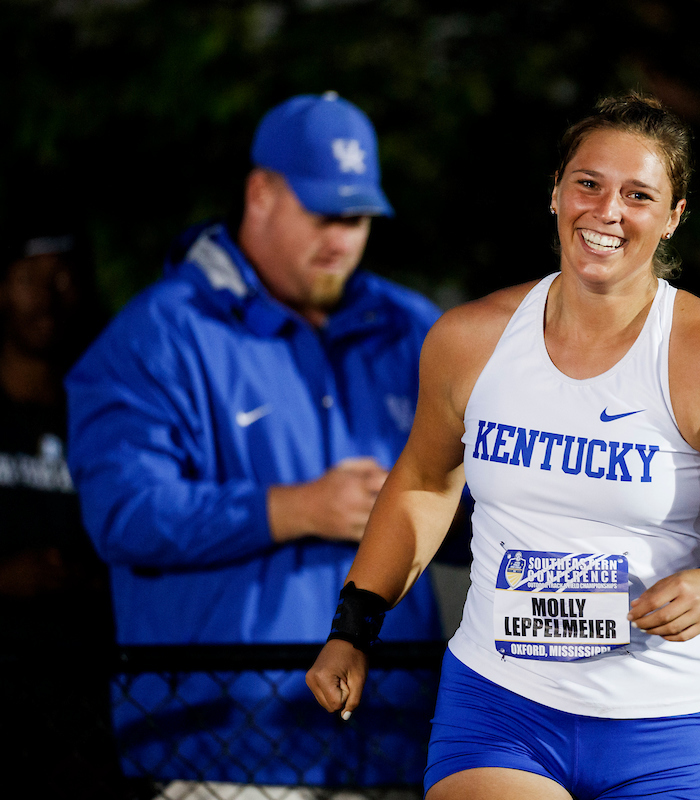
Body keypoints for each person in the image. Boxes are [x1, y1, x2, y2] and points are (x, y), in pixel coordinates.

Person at [306, 93, 700, 800]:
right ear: (555, 193)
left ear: (673, 216)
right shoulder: (471, 340)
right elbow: (424, 484)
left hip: (655, 723)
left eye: (638, 194)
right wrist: (354, 626)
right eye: (588, 183)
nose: (607, 210)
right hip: (499, 703)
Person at [66, 93, 443, 788]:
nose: (342, 236)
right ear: (261, 192)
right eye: (323, 212)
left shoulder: (414, 329)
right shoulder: (160, 334)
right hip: (227, 755)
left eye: (357, 217)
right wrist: (292, 508)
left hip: (394, 743)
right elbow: (121, 513)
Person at [0, 226, 120, 798]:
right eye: (29, 279)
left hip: (89, 699)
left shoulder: (111, 414)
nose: (48, 297)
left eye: (63, 278)